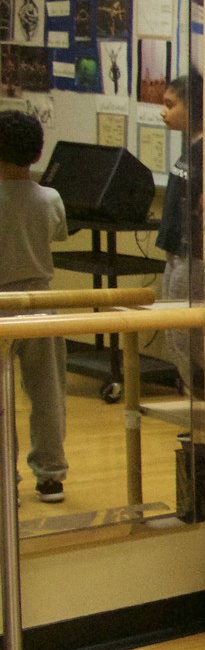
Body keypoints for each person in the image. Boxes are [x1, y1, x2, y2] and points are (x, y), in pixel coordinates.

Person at [0, 110, 70, 503]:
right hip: (42, 305)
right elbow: (57, 233)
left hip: (0, 305)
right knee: (47, 395)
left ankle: (3, 478)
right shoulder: (50, 198)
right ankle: (51, 476)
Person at [157, 72, 204, 391]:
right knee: (173, 336)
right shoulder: (188, 147)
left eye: (170, 104)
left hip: (193, 257)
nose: (163, 111)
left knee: (186, 339)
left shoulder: (204, 150)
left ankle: (204, 406)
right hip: (176, 252)